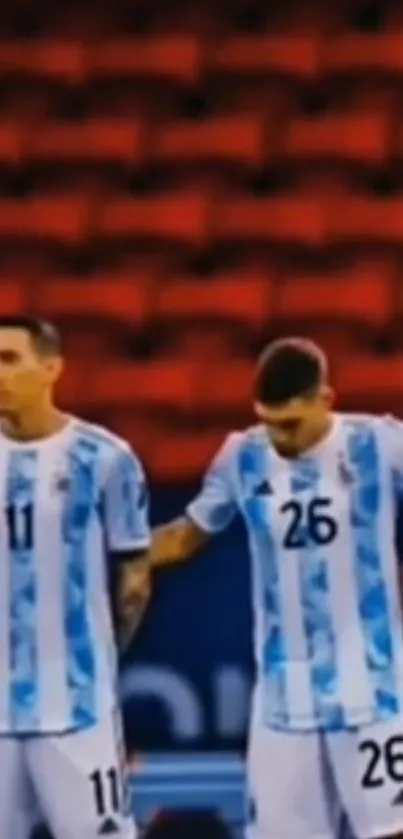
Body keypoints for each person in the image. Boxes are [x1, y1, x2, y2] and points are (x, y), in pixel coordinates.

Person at [151, 336, 403, 839]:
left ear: (325, 400)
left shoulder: (381, 444)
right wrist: (106, 557)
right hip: (283, 701)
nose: (280, 439)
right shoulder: (242, 455)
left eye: (290, 425)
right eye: (269, 424)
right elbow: (184, 538)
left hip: (375, 688)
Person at [0, 316, 150, 839]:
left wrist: (98, 662)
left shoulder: (104, 458)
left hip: (76, 707)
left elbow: (134, 582)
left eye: (8, 360)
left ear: (51, 368)